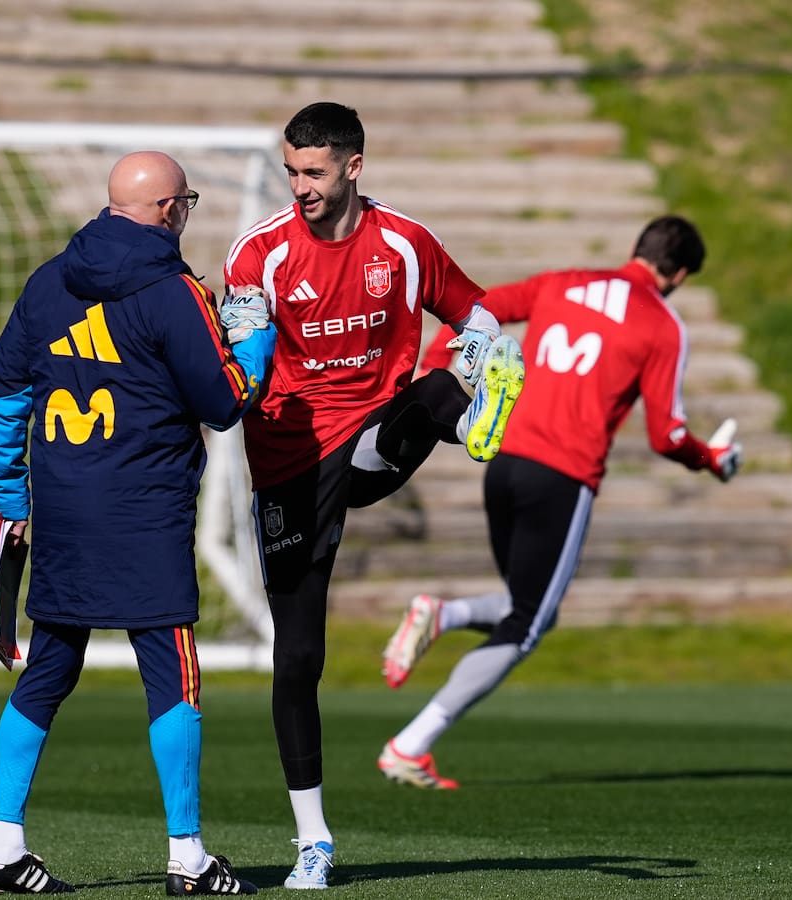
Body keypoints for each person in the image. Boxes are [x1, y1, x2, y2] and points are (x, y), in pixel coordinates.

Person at [219, 101, 526, 889]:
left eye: (314, 172)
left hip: (377, 440)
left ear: (353, 166)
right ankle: (313, 843)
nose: (300, 187)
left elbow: (478, 305)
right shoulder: (258, 254)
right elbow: (242, 347)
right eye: (291, 171)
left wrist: (483, 345)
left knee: (425, 394)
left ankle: (475, 413)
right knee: (298, 658)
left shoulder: (404, 242)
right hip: (290, 459)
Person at [0, 150, 273, 895]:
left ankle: (0, 845)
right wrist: (256, 340)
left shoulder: (48, 281)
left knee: (48, 670)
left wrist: (8, 502)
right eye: (187, 204)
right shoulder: (173, 293)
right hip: (145, 513)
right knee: (174, 678)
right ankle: (188, 858)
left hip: (67, 512)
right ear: (170, 210)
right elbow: (226, 400)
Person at [376, 214, 744, 789]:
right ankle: (411, 744)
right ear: (680, 276)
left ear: (636, 248)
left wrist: (435, 366)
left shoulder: (562, 282)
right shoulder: (663, 324)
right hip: (563, 473)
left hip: (503, 459)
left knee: (524, 602)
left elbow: (477, 309)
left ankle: (443, 615)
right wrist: (713, 460)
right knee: (528, 621)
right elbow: (667, 434)